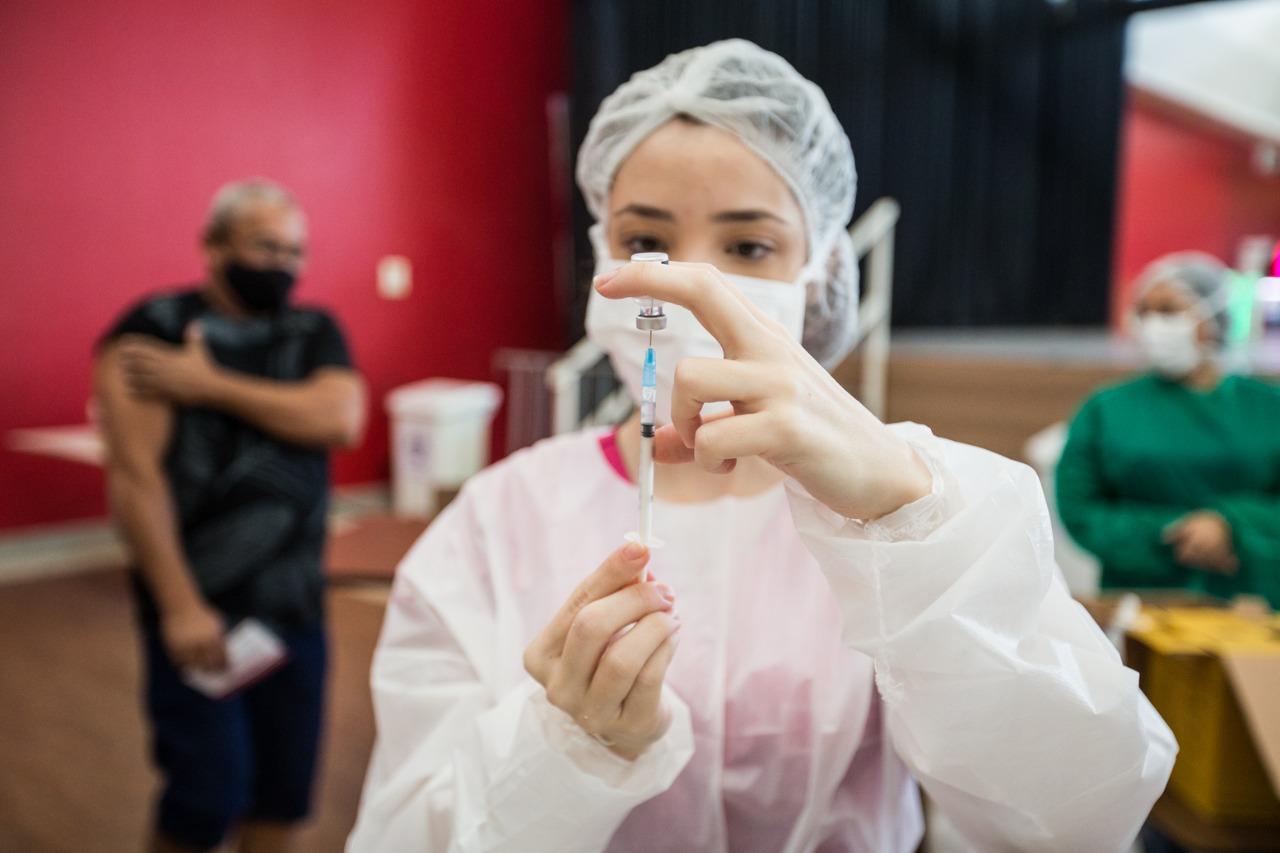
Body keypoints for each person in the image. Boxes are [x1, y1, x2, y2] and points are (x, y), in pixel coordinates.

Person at [348, 40, 1174, 853]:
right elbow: (405, 833)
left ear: (820, 272)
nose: (690, 285)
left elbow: (1080, 818)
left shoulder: (901, 511)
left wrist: (910, 524)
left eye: (747, 247)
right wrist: (563, 748)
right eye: (645, 242)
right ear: (601, 253)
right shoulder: (499, 519)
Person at [95, 179, 366, 853]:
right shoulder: (154, 330)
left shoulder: (313, 330)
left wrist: (207, 384)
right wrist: (181, 606)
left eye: (295, 251)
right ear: (214, 247)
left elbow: (339, 418)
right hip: (200, 612)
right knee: (204, 798)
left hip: (295, 608)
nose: (284, 264)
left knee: (282, 798)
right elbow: (136, 480)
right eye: (265, 247)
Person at [1057, 252, 1280, 609]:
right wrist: (1174, 533)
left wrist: (1231, 526)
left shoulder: (1268, 407)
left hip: (1253, 599)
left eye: (1168, 310)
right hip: (1139, 597)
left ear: (1214, 318)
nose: (1153, 324)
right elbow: (1078, 507)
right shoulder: (1107, 408)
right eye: (1144, 312)